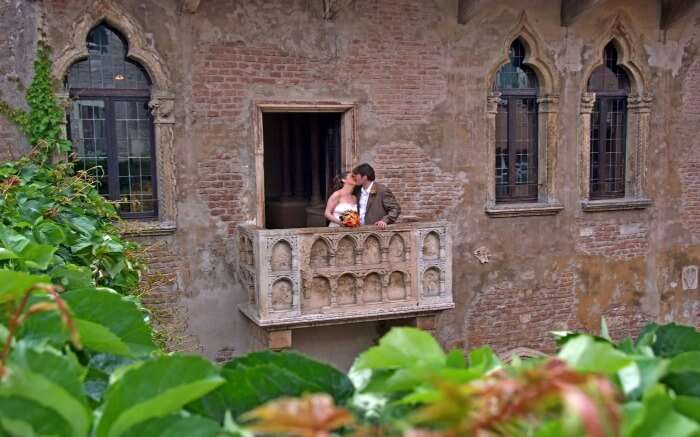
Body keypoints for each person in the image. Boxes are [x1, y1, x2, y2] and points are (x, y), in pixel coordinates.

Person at [352, 163, 401, 229]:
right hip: (358, 230)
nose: (354, 178)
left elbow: (395, 208)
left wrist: (385, 221)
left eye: (356, 176)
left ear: (364, 177)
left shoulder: (382, 190)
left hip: (375, 231)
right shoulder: (357, 191)